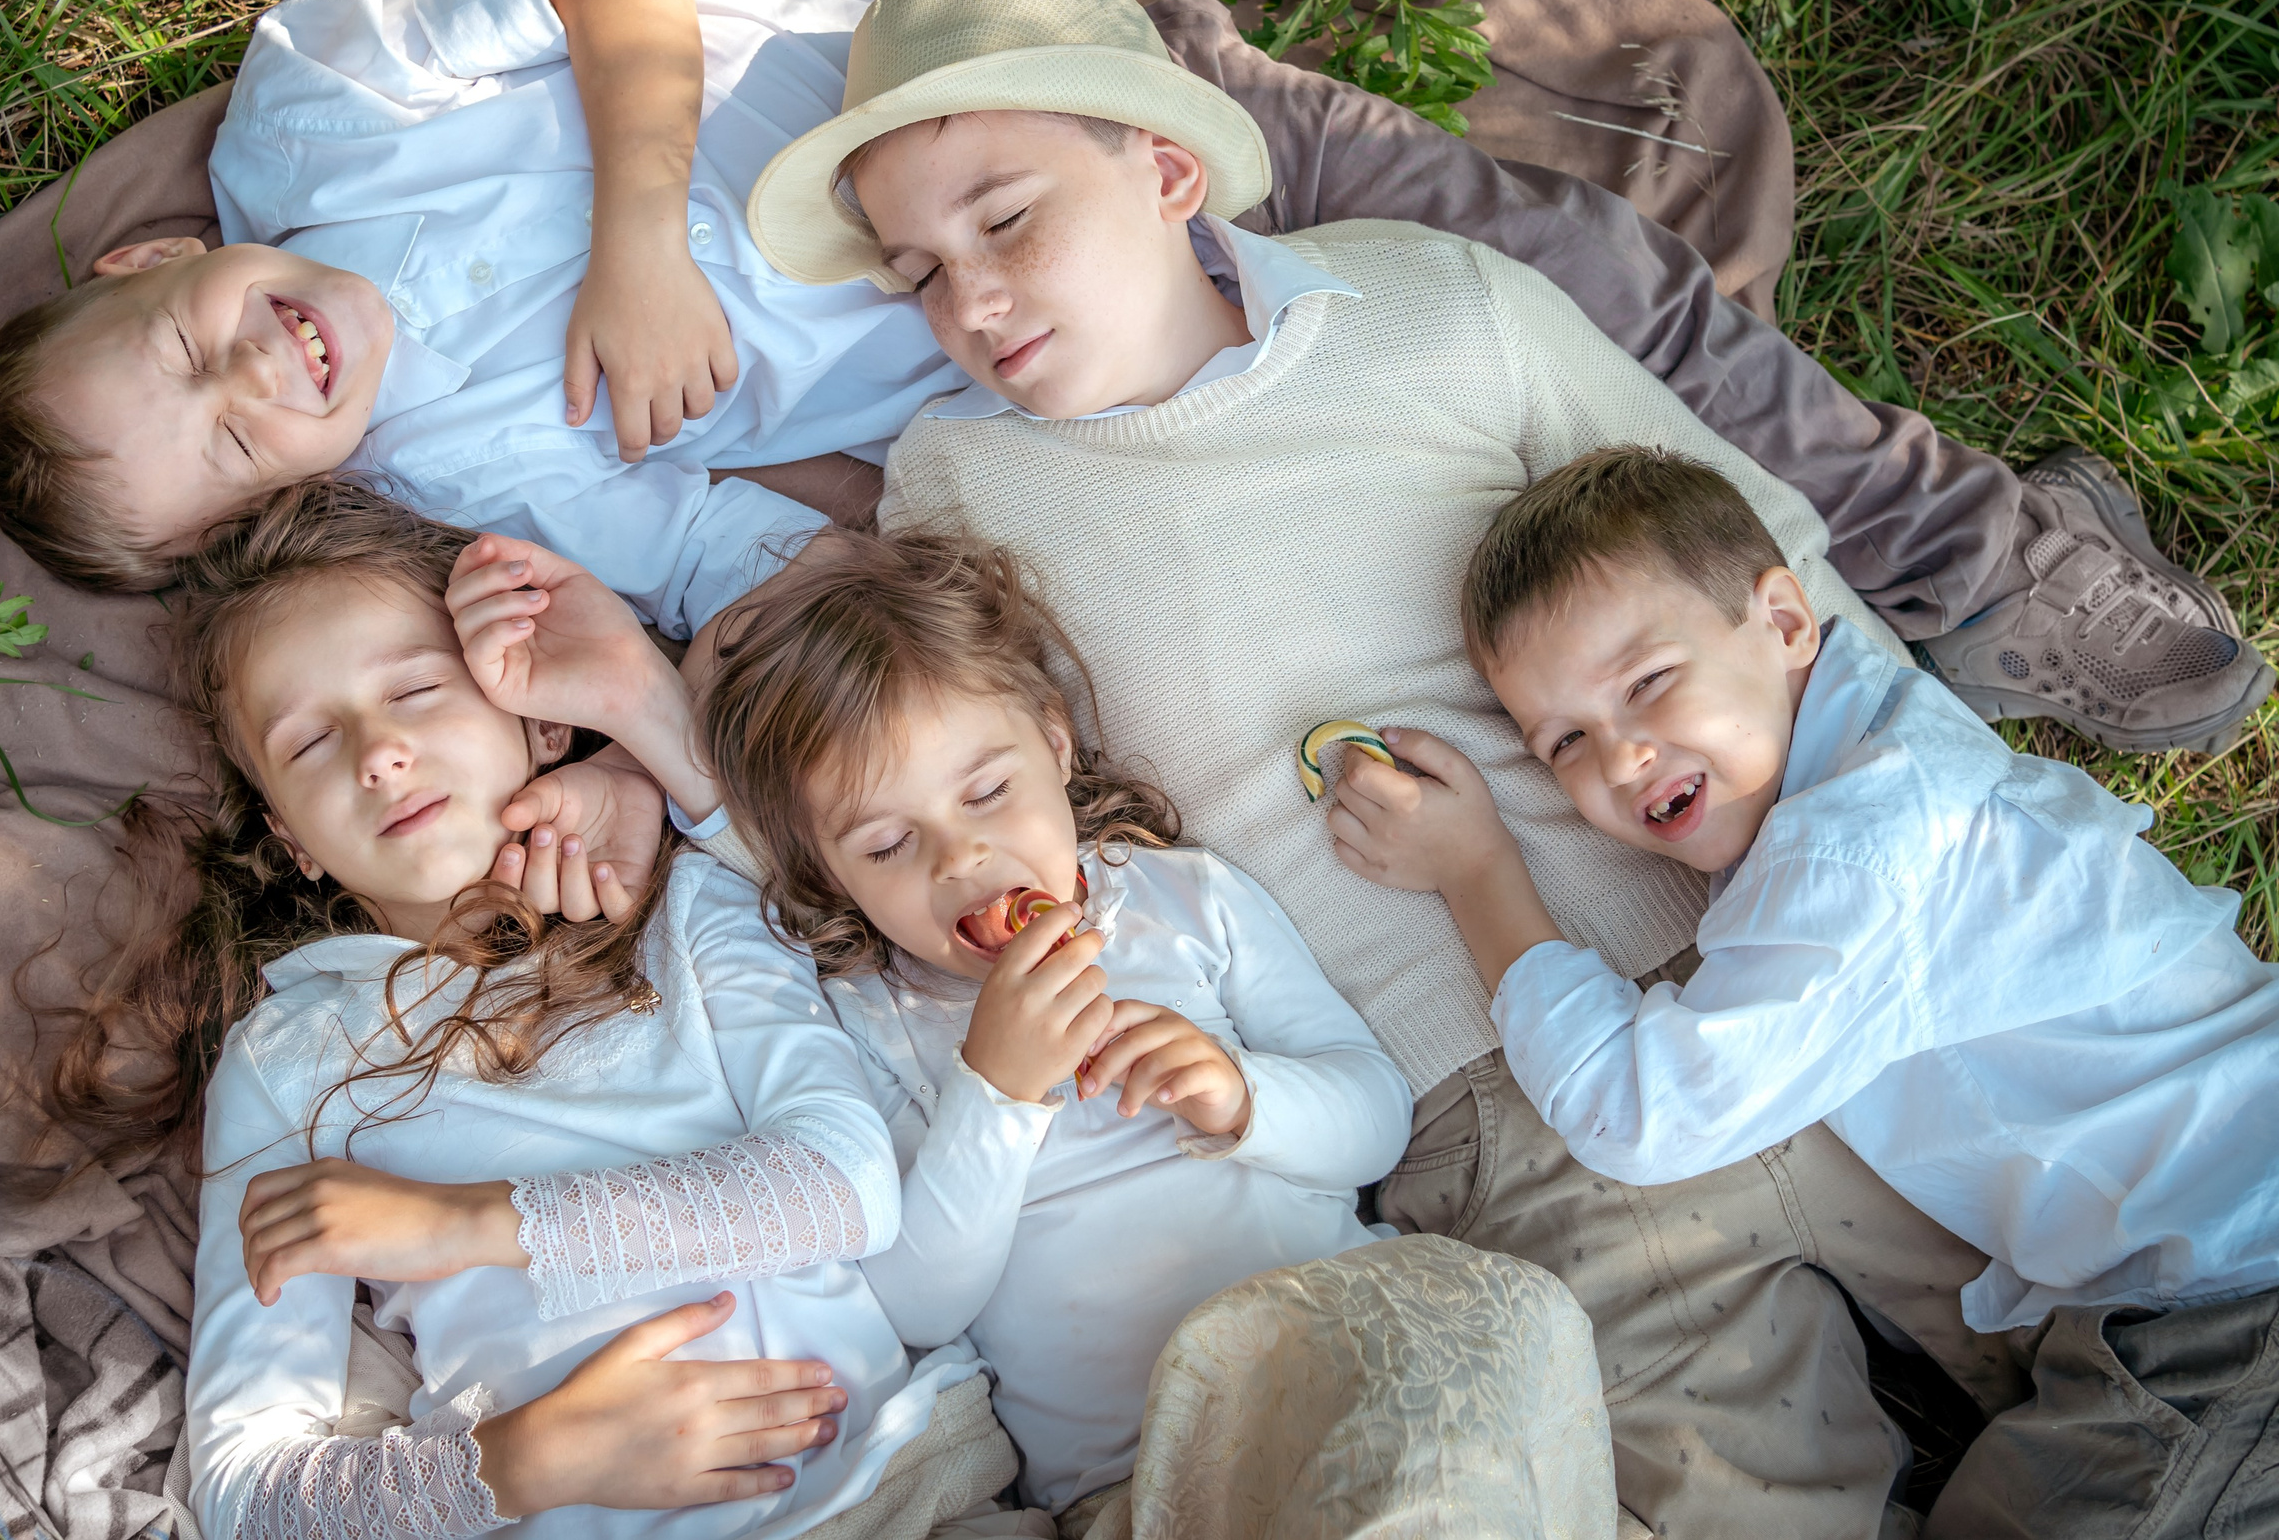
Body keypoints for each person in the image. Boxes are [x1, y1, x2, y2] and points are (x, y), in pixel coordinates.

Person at [737, 0, 2047, 1538]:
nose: (973, 300)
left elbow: (1762, 549)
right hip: (1487, 1100)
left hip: (1789, 944)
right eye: (918, 274)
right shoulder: (959, 481)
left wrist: (1940, 823)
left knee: (2131, 1317)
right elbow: (877, 722)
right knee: (1756, 1501)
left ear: (1161, 169)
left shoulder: (1429, 302)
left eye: (1005, 220)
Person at [0, 0, 2262, 755]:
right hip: (1034, 357)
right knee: (1369, 545)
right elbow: (734, 527)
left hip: (1041, 111)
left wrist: (637, 238)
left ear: (151, 261)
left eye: (189, 348)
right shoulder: (455, 461)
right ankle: (1757, 667)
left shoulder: (312, 122)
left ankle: (1937, 545)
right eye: (240, 451)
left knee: (1562, 273)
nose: (264, 380)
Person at [1329, 444, 2279, 1538]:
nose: (1626, 756)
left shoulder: (1863, 844)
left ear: (1784, 622)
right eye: (1566, 742)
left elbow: (1643, 1111)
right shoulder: (1866, 760)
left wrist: (1479, 876)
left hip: (2232, 1300)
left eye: (1647, 682)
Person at [687, 524, 1612, 1530]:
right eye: (888, 842)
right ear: (833, 876)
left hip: (1346, 1365)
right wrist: (995, 1092)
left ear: (1053, 742)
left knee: (1506, 1334)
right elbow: (915, 1305)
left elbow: (1374, 1115)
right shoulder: (873, 1016)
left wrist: (1240, 1093)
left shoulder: (1183, 901)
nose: (962, 856)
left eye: (987, 790)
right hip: (1141, 1471)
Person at [157, 478, 1024, 1540]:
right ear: (292, 838)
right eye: (307, 744)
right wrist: (528, 1457)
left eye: (418, 690)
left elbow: (842, 1187)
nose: (378, 751)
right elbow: (247, 1500)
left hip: (890, 1489)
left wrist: (464, 1222)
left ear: (534, 723)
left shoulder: (685, 896)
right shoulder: (287, 1059)